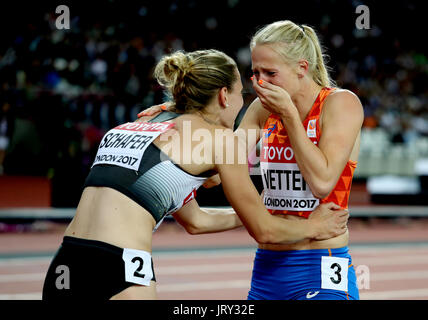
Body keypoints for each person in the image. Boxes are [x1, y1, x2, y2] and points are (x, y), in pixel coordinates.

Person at [42, 49, 348, 300]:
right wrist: (315, 226)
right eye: (242, 92)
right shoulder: (220, 141)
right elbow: (265, 231)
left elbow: (196, 221)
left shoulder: (129, 126)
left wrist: (255, 210)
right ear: (225, 96)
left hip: (66, 261)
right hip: (122, 266)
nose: (247, 101)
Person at [139, 21, 363, 300]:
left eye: (270, 73)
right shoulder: (260, 109)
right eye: (255, 73)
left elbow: (322, 182)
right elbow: (215, 174)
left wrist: (290, 117)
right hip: (268, 267)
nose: (260, 83)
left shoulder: (340, 104)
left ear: (302, 68)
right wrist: (180, 119)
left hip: (321, 261)